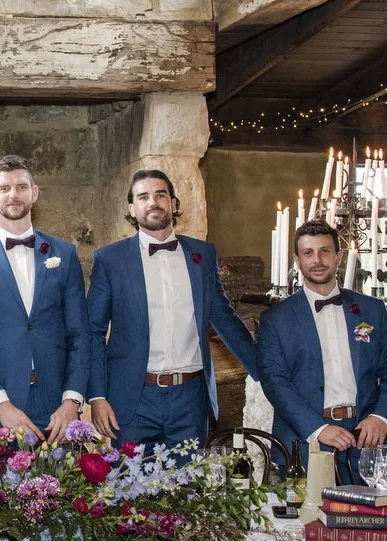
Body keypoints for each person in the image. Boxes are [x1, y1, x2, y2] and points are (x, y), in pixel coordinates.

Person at [86, 170, 259, 449]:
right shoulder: (110, 260)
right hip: (132, 399)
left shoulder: (202, 256)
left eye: (160, 195)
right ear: (132, 208)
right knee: (129, 491)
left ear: (174, 203)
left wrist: (266, 374)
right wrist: (96, 396)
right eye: (143, 197)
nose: (153, 202)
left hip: (189, 400)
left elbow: (225, 319)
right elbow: (92, 332)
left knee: (189, 490)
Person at [0, 154, 88, 446]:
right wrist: (1, 404)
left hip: (56, 412)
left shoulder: (64, 253)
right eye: (4, 188)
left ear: (34, 193)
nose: (14, 195)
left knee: (64, 491)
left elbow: (79, 335)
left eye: (22, 187)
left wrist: (71, 401)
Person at [258, 219, 387, 469]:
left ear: (339, 256)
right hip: (305, 444)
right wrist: (318, 428)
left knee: (368, 509)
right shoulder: (275, 319)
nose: (317, 260)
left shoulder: (372, 310)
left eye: (325, 251)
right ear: (297, 260)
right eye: (308, 253)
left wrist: (381, 417)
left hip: (365, 439)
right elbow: (275, 383)